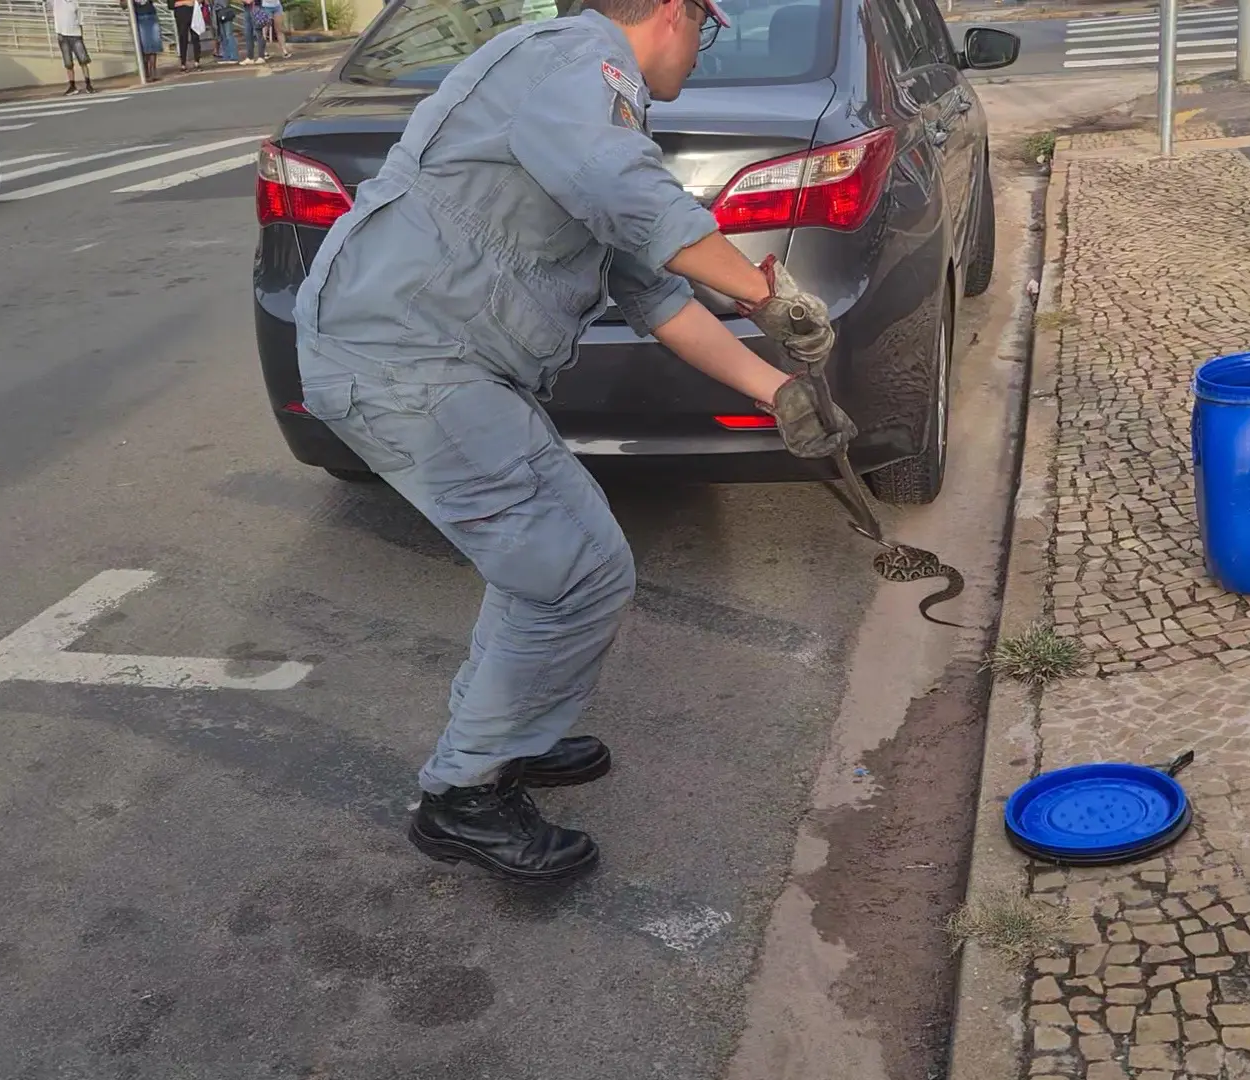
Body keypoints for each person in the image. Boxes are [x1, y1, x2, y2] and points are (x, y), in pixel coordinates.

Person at [294, 0, 854, 884]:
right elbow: (628, 193)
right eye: (706, 29)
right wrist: (760, 293)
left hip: (438, 360)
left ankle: (513, 739)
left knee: (551, 571)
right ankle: (464, 798)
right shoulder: (571, 63)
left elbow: (657, 293)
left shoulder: (584, 97)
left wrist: (780, 391)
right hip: (408, 361)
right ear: (672, 9)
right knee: (572, 573)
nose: (700, 57)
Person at [48, 0, 96, 94]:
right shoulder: (56, 2)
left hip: (75, 34)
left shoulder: (75, 3)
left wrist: (81, 36)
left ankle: (88, 84)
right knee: (68, 63)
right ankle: (72, 86)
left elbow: (80, 21)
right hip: (62, 36)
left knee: (83, 61)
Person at [129, 0, 161, 80]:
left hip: (151, 15)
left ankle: (153, 72)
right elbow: (123, 5)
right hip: (139, 17)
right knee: (143, 46)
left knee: (154, 44)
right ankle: (146, 72)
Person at [171, 0, 200, 70]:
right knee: (183, 38)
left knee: (195, 37)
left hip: (193, 13)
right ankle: (183, 63)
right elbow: (171, 4)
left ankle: (197, 61)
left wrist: (194, 2)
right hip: (181, 14)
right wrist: (185, 3)